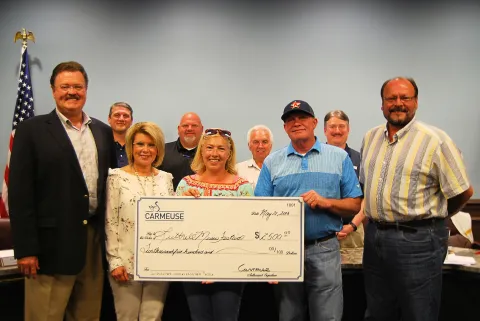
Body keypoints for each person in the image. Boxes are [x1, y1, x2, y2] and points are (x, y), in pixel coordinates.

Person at [8, 61, 117, 321]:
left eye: (77, 86)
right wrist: (25, 249)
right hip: (49, 249)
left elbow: (111, 187)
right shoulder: (31, 131)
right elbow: (20, 194)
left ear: (86, 90)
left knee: (88, 316)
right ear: (53, 90)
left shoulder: (102, 131)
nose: (72, 92)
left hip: (92, 243)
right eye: (65, 86)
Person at [360, 77, 473, 321]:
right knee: (378, 312)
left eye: (405, 98)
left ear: (416, 102)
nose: (398, 103)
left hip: (418, 241)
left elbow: (463, 191)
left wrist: (436, 218)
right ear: (382, 104)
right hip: (375, 239)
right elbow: (365, 185)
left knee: (419, 313)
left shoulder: (435, 140)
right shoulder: (370, 137)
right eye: (391, 98)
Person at [255, 100, 363, 321]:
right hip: (284, 250)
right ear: (284, 128)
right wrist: (268, 258)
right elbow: (259, 211)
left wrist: (327, 202)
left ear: (314, 123)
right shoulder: (272, 162)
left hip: (324, 248)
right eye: (290, 120)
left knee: (328, 316)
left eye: (302, 118)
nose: (296, 123)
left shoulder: (338, 157)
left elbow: (355, 204)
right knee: (289, 316)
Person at [176, 128, 254, 321]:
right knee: (198, 317)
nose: (214, 154)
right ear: (201, 151)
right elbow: (175, 229)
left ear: (229, 153)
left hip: (231, 267)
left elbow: (249, 230)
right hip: (192, 266)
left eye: (221, 149)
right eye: (209, 148)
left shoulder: (243, 187)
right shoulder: (186, 185)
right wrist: (181, 205)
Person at [106, 122, 172, 320]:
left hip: (159, 264)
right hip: (125, 264)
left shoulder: (166, 179)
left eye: (151, 145)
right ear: (131, 147)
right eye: (140, 144)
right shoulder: (116, 177)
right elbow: (111, 221)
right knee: (127, 317)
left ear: (158, 149)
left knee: (153, 317)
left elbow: (174, 219)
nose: (145, 150)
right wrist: (114, 261)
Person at [324, 110, 365, 248]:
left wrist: (352, 226)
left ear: (348, 129)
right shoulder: (314, 159)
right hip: (322, 234)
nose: (337, 131)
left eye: (341, 126)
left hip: (353, 233)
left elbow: (365, 197)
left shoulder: (360, 159)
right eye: (332, 126)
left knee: (355, 270)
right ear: (325, 130)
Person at [159, 112, 203, 189]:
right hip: (168, 200)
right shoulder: (162, 151)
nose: (189, 128)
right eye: (185, 125)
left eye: (194, 125)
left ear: (202, 129)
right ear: (178, 129)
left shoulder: (209, 154)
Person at [236, 124, 273, 189]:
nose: (260, 146)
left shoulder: (280, 168)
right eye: (256, 142)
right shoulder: (237, 170)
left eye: (264, 142)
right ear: (249, 146)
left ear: (271, 145)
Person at [108, 102, 133, 168]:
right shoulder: (100, 145)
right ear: (109, 119)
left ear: (131, 121)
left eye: (125, 116)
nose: (121, 119)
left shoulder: (137, 146)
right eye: (117, 115)